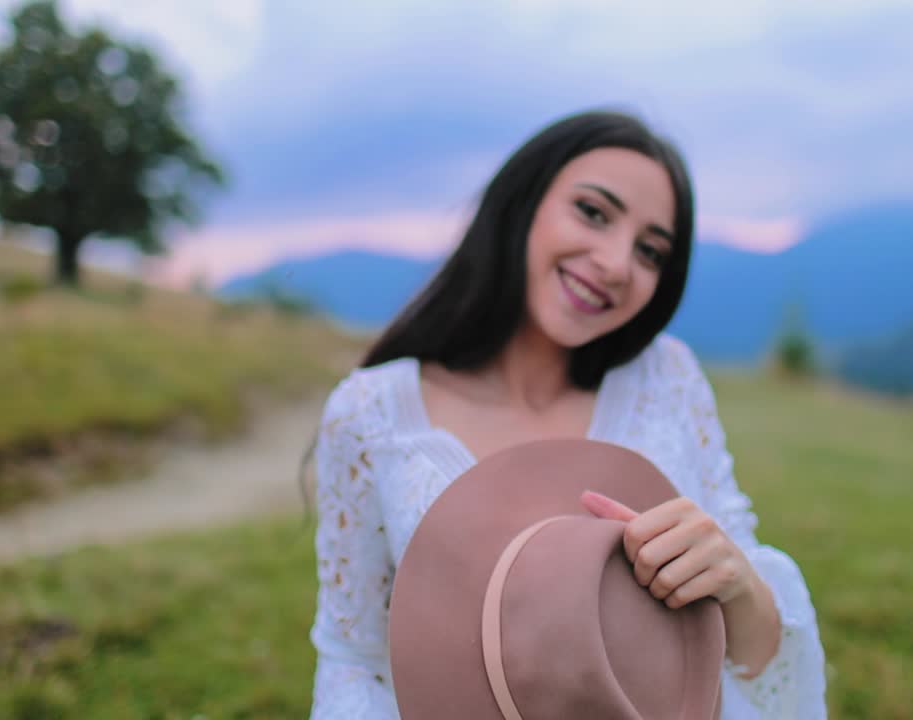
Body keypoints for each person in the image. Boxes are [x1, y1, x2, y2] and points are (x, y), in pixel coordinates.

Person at [302, 109, 827, 718]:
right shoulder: (371, 412)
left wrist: (736, 580)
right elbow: (353, 658)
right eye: (593, 213)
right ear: (524, 203)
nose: (615, 264)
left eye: (651, 251)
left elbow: (752, 654)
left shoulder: (668, 380)